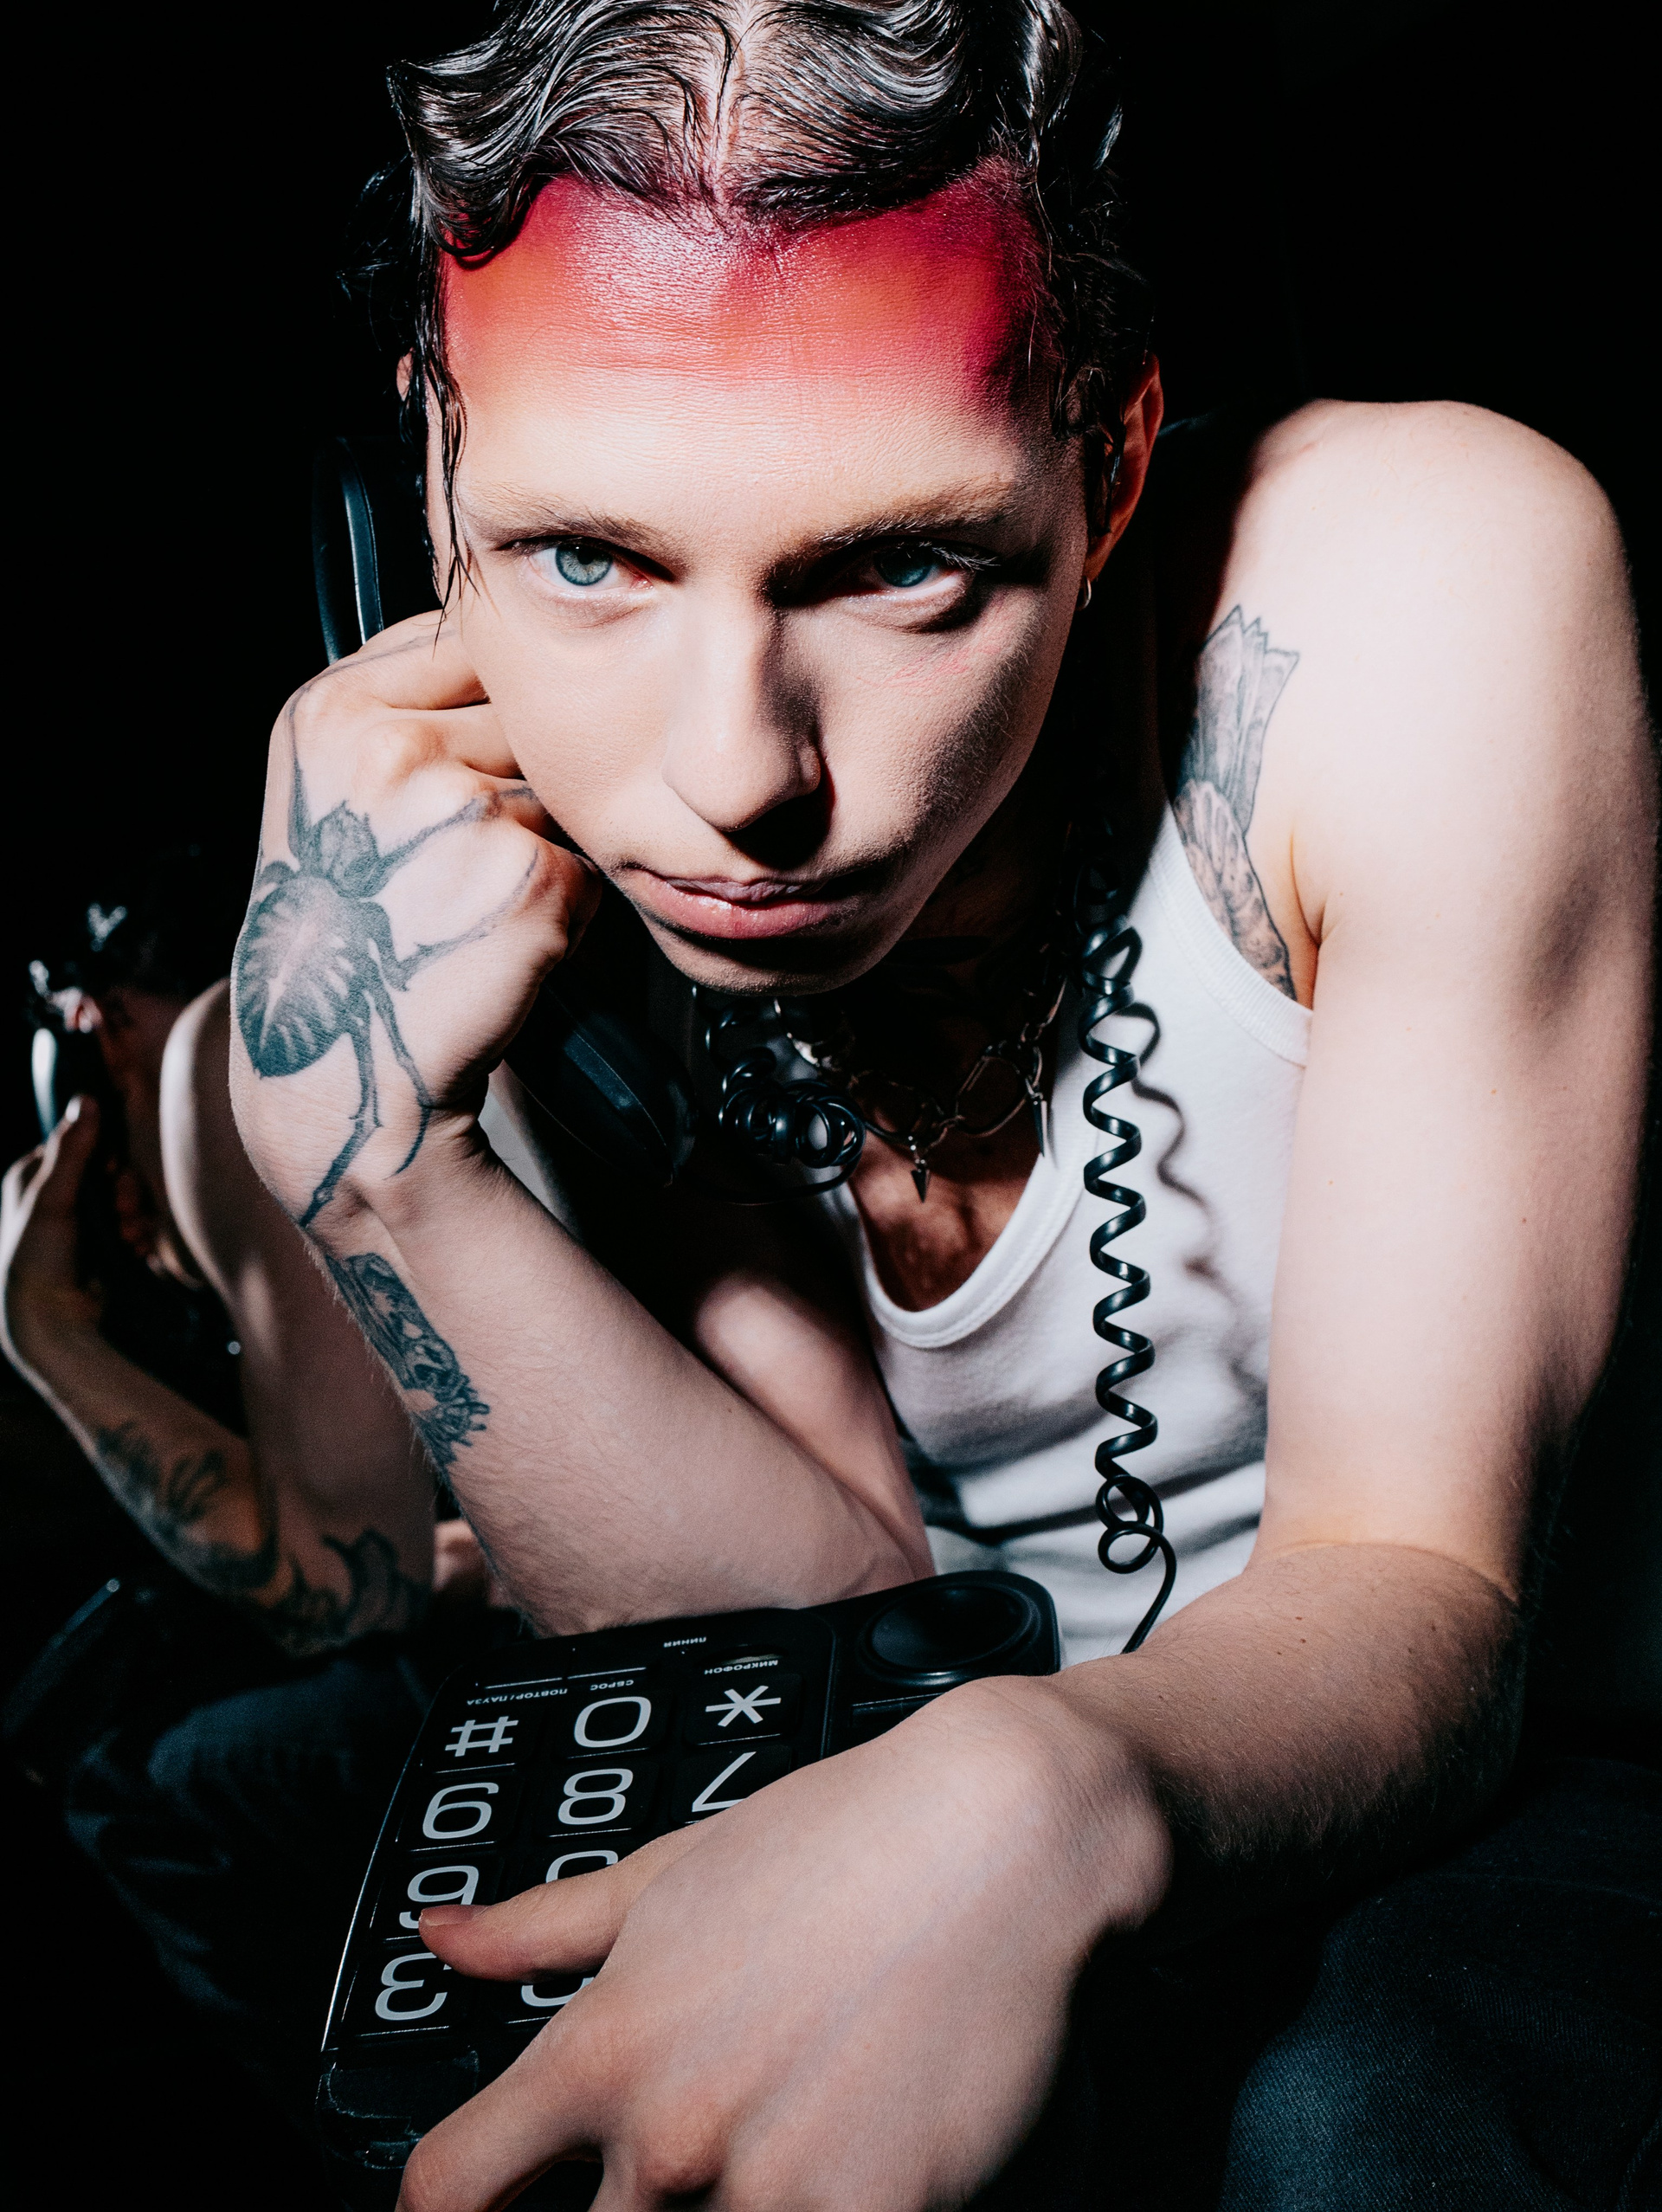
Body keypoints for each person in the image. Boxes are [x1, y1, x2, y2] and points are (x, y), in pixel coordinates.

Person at [227, 2, 1658, 2205]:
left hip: (1497, 1791)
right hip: (938, 1801)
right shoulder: (468, 873)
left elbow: (1425, 1593)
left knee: (1351, 2117)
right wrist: (380, 1167)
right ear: (433, 467)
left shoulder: (1413, 587)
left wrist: (1037, 1794)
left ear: (1116, 453)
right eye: (587, 557)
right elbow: (816, 1627)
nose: (735, 778)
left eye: (902, 563)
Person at [2, 870, 507, 2110]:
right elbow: (444, 1535)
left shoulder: (219, 1049)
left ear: (91, 1033)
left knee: (151, 1780)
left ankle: (379, 2152)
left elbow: (339, 1603)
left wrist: (47, 1333)